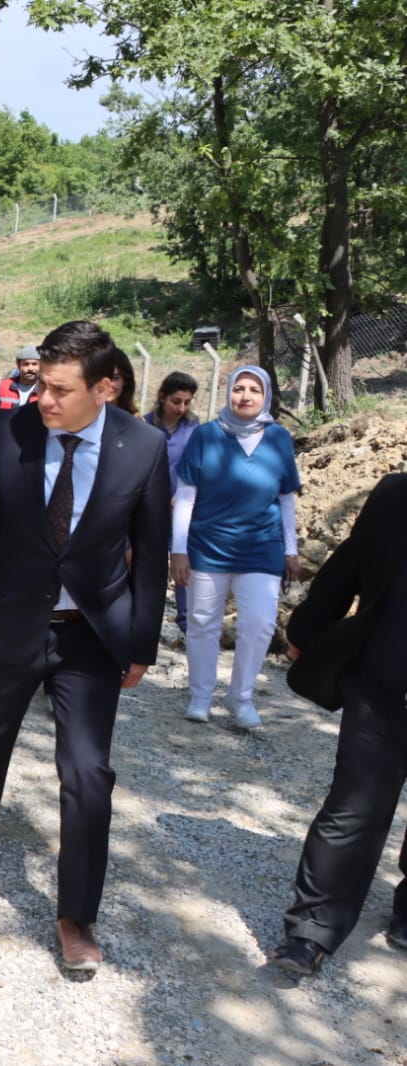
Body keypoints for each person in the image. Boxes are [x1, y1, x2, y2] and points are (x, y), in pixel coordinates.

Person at [0, 319, 171, 972]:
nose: (43, 399)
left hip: (91, 635)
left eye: (60, 389)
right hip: (9, 620)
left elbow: (149, 556)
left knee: (88, 774)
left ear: (105, 388)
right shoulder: (7, 433)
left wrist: (140, 643)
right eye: (42, 384)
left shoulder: (144, 447)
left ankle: (75, 915)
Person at [272, 474, 407, 975]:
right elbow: (349, 565)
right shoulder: (396, 497)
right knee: (353, 809)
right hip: (382, 688)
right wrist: (306, 629)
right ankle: (311, 931)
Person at [170, 365, 299, 729]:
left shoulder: (279, 438)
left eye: (254, 390)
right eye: (239, 388)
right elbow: (186, 495)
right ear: (229, 394)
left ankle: (241, 698)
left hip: (262, 546)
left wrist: (291, 549)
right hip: (207, 545)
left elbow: (286, 498)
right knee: (202, 623)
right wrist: (179, 549)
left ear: (266, 396)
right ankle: (200, 696)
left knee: (259, 623)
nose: (245, 396)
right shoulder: (206, 435)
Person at [143, 371, 199, 634]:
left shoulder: (194, 429)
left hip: (183, 510)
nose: (181, 408)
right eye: (176, 401)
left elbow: (198, 467)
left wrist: (186, 494)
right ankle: (146, 621)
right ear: (162, 397)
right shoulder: (145, 426)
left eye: (187, 402)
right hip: (150, 511)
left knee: (184, 565)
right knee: (150, 569)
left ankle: (187, 622)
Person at [0, 345, 41, 409]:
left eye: (34, 364)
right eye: (26, 364)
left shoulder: (47, 389)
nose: (30, 368)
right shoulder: (2, 387)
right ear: (18, 365)